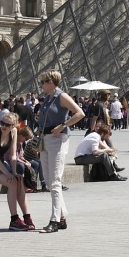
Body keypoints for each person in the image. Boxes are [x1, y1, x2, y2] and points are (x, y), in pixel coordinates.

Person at [37, 70, 85, 233]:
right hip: (45, 139)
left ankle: (54, 221)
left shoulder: (62, 96)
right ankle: (62, 217)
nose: (41, 84)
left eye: (43, 81)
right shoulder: (48, 98)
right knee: (50, 182)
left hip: (58, 140)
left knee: (55, 180)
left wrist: (64, 125)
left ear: (51, 82)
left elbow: (80, 113)